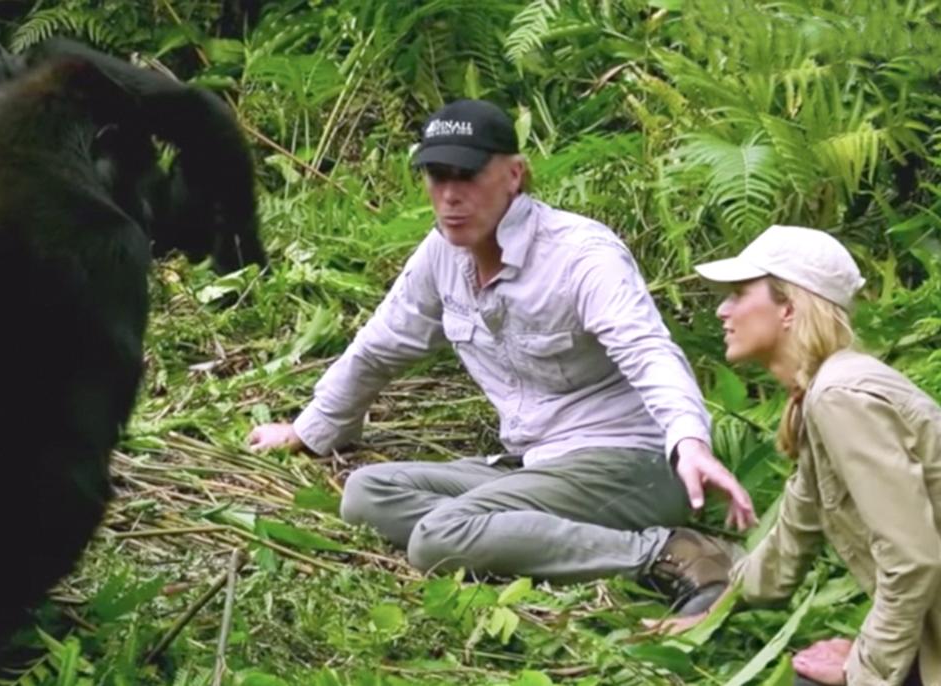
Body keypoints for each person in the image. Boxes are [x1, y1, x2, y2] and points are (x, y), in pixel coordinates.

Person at [247, 99, 757, 614]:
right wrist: (309, 430)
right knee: (366, 493)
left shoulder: (580, 254)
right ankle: (522, 533)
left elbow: (647, 350)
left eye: (466, 176)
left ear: (513, 175)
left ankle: (672, 552)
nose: (449, 196)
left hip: (629, 462)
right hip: (535, 465)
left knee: (436, 540)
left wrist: (689, 441)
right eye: (435, 175)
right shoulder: (441, 253)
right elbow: (382, 344)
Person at [691, 225, 938, 686]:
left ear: (788, 307)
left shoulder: (841, 396)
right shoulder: (821, 397)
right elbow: (794, 531)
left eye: (739, 293)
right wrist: (712, 611)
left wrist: (864, 669)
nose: (723, 310)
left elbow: (913, 557)